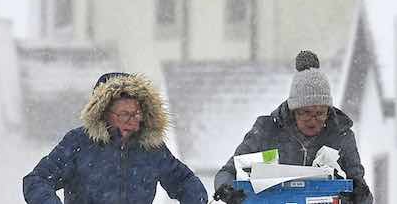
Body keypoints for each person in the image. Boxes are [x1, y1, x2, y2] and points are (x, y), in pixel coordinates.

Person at [213, 51, 373, 204]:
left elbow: (360, 187)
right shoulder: (266, 130)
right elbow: (227, 172)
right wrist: (228, 190)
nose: (313, 120)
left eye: (320, 113)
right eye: (306, 113)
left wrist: (357, 196)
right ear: (293, 110)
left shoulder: (341, 135)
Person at [24, 71, 207, 204]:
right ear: (104, 114)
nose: (133, 120)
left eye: (137, 114)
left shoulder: (151, 147)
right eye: (124, 114)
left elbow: (184, 181)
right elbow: (36, 180)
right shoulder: (78, 143)